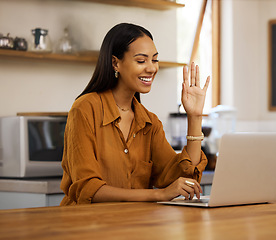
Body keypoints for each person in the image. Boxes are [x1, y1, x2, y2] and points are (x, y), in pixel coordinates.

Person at [60, 23, 210, 205]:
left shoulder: (150, 123)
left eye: (154, 60)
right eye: (141, 61)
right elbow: (88, 188)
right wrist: (159, 194)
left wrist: (194, 117)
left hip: (135, 225)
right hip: (87, 228)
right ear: (116, 63)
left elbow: (182, 178)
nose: (151, 68)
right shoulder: (84, 109)